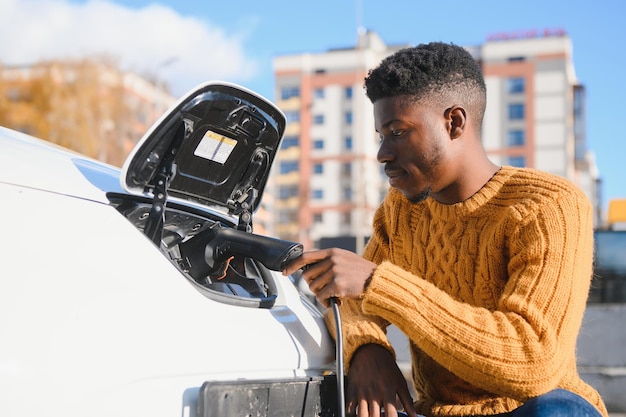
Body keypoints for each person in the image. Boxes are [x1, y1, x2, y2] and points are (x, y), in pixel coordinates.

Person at [283, 42, 608, 417]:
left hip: (539, 407)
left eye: (398, 132)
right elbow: (351, 304)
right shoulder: (401, 211)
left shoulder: (549, 205)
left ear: (453, 122)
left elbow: (532, 359)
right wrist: (367, 350)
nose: (383, 153)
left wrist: (379, 285)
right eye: (380, 136)